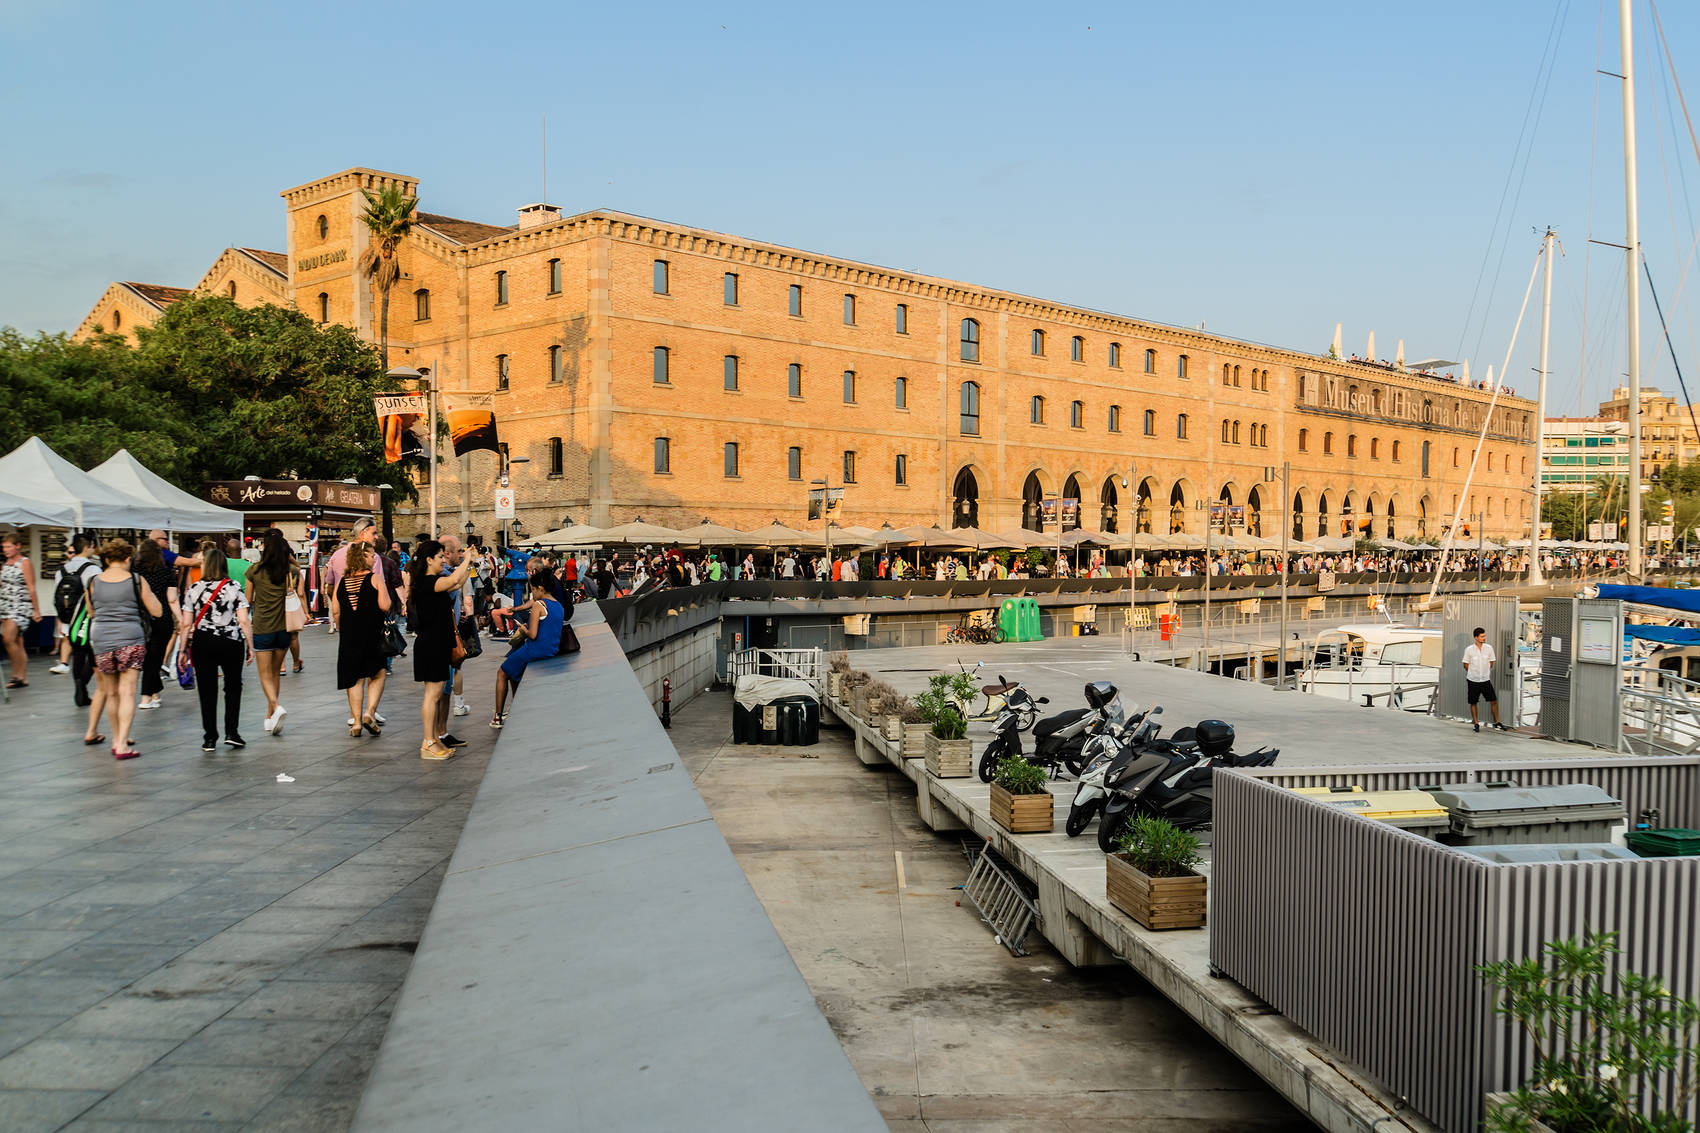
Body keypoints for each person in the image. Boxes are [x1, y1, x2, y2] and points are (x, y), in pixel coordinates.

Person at [86, 539, 163, 758]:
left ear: (107, 559)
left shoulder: (93, 581)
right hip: (130, 638)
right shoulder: (136, 581)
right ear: (128, 558)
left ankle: (116, 737)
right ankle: (122, 744)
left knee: (111, 693)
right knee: (127, 691)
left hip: (101, 639)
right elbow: (156, 611)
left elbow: (91, 612)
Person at [182, 546, 254, 751]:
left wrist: (181, 650)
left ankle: (210, 737)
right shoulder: (233, 587)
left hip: (202, 642)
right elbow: (244, 620)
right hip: (230, 641)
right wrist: (250, 645)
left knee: (207, 689)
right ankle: (232, 732)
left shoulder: (194, 589)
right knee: (233, 686)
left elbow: (186, 624)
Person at [408, 539, 474, 760]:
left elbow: (457, 583)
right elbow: (454, 579)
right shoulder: (428, 582)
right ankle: (427, 742)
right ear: (428, 560)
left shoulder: (433, 581)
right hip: (431, 645)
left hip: (436, 643)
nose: (443, 560)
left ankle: (434, 738)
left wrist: (470, 563)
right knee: (432, 695)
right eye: (439, 557)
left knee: (435, 695)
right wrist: (465, 560)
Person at [491, 572, 564, 729]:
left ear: (540, 588)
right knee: (513, 672)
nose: (533, 594)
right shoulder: (558, 605)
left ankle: (497, 717)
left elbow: (533, 634)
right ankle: (517, 709)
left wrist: (523, 629)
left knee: (502, 672)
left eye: (533, 590)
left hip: (534, 650)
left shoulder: (539, 605)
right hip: (551, 651)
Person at [334, 541, 392, 738]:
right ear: (361, 557)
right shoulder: (374, 578)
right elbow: (385, 605)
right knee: (378, 673)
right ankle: (370, 713)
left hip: (349, 636)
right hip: (372, 633)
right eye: (370, 555)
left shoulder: (342, 581)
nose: (374, 558)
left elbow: (335, 610)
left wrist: (344, 628)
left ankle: (357, 723)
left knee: (354, 678)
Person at [247, 528, 299, 736]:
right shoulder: (291, 571)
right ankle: (270, 717)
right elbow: (297, 576)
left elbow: (248, 600)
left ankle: (276, 707)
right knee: (275, 673)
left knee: (264, 675)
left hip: (262, 627)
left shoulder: (254, 571)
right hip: (284, 628)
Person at [49, 535, 101, 696]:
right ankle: (82, 685)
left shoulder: (61, 570)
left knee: (77, 654)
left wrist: (60, 619)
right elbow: (97, 595)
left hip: (67, 619)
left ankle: (80, 689)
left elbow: (57, 597)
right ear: (86, 547)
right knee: (93, 655)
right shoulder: (93, 569)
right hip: (87, 619)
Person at [131, 536, 178, 711]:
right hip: (162, 619)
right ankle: (146, 697)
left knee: (150, 657)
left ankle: (155, 692)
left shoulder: (134, 573)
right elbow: (172, 599)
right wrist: (181, 620)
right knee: (154, 658)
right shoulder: (167, 573)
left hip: (139, 619)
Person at [321, 517, 378, 632]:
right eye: (374, 533)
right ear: (363, 533)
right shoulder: (373, 557)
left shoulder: (336, 555)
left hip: (345, 618)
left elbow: (330, 588)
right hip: (369, 619)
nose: (376, 537)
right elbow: (382, 596)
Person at [0, 532, 42, 689]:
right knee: (17, 641)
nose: (6, 549)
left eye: (9, 546)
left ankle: (16, 675)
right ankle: (22, 677)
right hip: (5, 604)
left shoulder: (24, 563)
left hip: (19, 605)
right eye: (4, 547)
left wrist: (36, 610)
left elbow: (31, 587)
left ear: (18, 546)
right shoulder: (5, 564)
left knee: (8, 639)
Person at [1462, 626, 1507, 733]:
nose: (1484, 638)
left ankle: (1497, 722)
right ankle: (1476, 723)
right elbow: (1465, 665)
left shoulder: (1489, 648)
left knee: (1493, 701)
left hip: (1485, 680)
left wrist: (1484, 673)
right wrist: (1474, 673)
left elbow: (1491, 663)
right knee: (1473, 702)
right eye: (1482, 636)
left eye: (1484, 636)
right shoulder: (1469, 650)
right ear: (1476, 637)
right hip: (1473, 680)